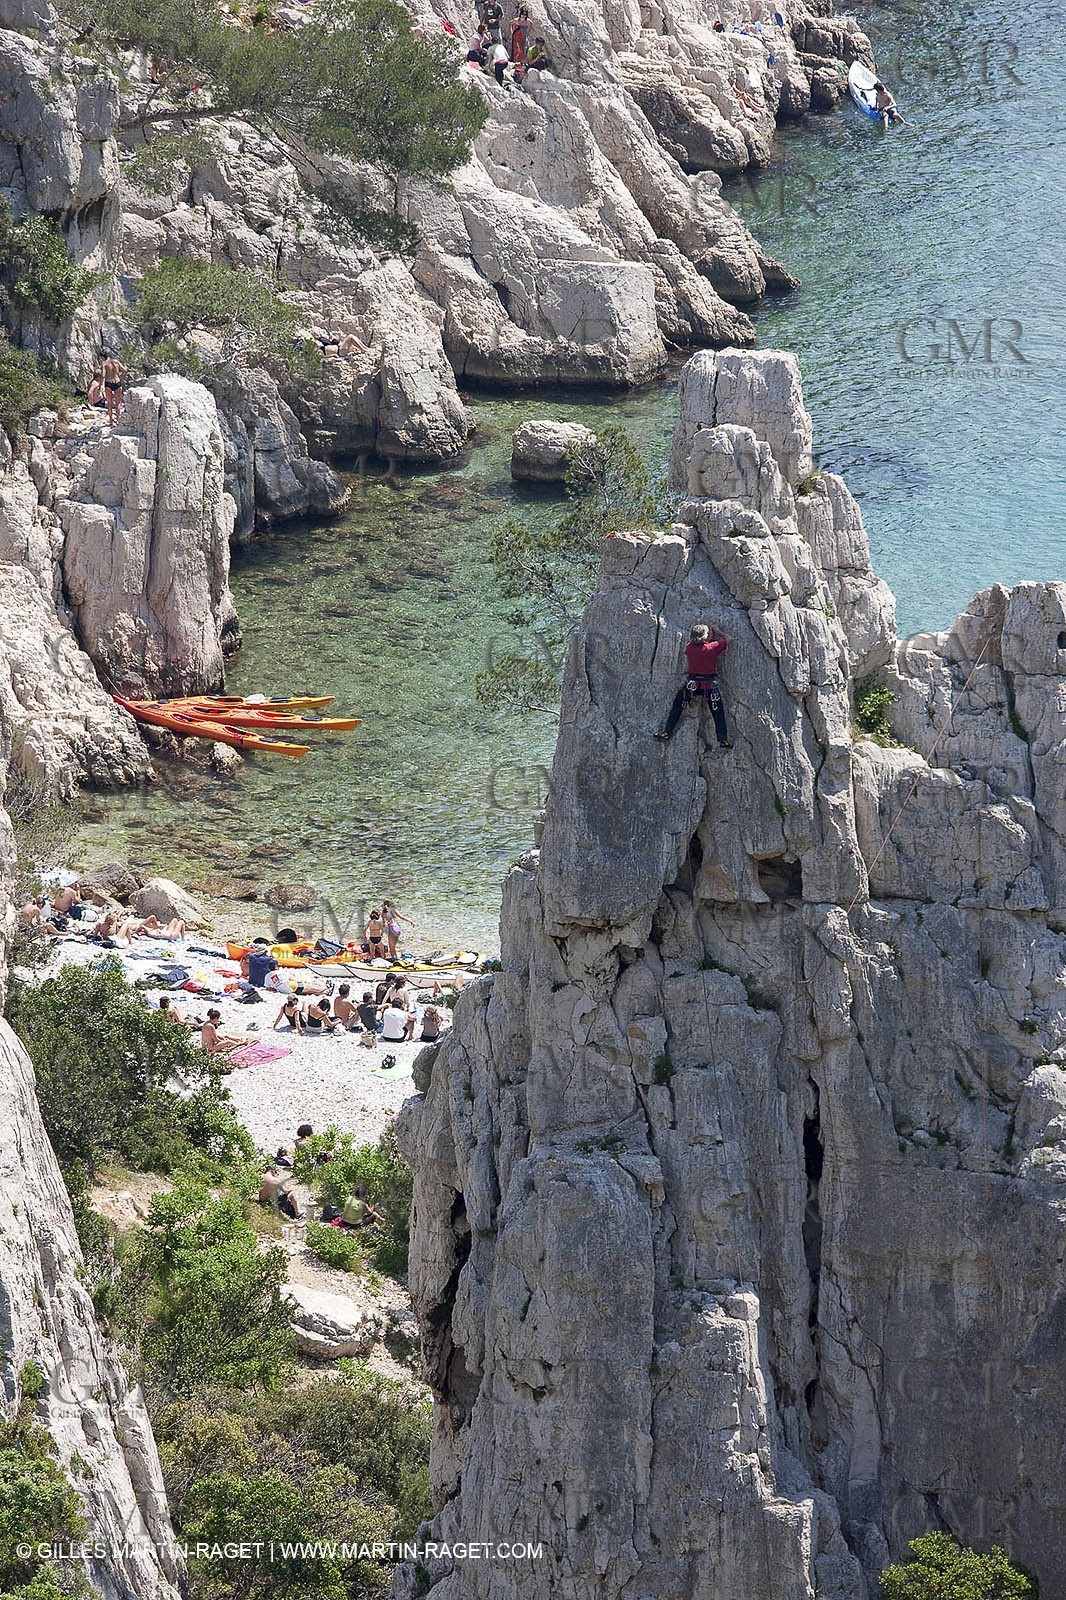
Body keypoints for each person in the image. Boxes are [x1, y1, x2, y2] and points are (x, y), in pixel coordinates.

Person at [656, 623, 732, 746]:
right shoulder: (712, 648)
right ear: (705, 637)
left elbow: (703, 648)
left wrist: (709, 637)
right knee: (718, 712)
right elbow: (727, 639)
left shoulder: (689, 648)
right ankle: (723, 739)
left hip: (693, 684)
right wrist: (718, 632)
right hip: (709, 685)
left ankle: (667, 731)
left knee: (678, 705)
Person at [100, 353, 127, 426]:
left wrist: (101, 386)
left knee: (109, 403)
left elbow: (103, 375)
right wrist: (120, 378)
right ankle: (118, 420)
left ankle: (111, 421)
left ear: (102, 357)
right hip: (117, 382)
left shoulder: (104, 364)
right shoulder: (116, 362)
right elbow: (125, 371)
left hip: (108, 383)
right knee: (118, 403)